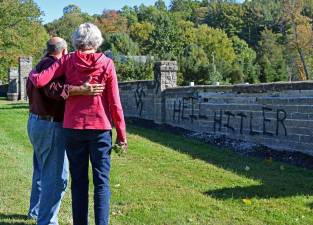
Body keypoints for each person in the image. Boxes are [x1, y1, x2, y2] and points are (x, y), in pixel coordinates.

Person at [29, 23, 127, 225]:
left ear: (76, 41)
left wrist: (31, 74)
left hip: (73, 129)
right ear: (97, 40)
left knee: (79, 182)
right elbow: (115, 103)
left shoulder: (67, 60)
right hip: (100, 129)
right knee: (101, 184)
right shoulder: (107, 63)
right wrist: (122, 136)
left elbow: (39, 81)